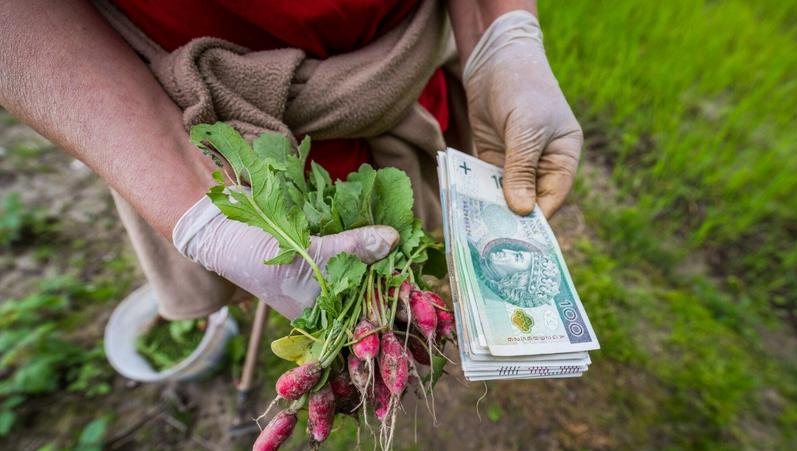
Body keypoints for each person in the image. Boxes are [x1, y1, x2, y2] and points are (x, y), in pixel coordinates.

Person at [0, 0, 582, 321]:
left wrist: (503, 37)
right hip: (184, 109)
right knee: (280, 266)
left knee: (399, 249)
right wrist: (198, 217)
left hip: (397, 70)